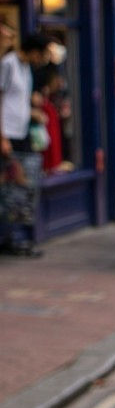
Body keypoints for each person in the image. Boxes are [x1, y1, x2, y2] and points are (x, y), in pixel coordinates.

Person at [1, 26, 49, 256]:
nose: (42, 59)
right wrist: (2, 137)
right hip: (8, 134)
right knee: (9, 185)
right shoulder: (8, 64)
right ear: (33, 51)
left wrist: (33, 111)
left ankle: (14, 236)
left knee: (23, 184)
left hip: (22, 133)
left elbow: (17, 102)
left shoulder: (26, 68)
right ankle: (8, 236)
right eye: (42, 54)